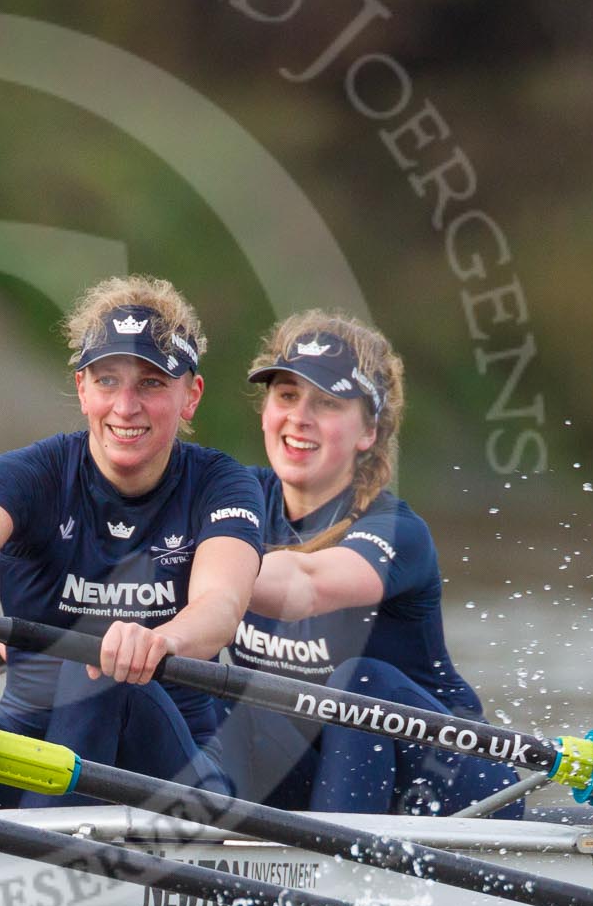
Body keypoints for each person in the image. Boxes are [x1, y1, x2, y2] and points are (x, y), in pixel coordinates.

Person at [0, 275, 263, 806]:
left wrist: (163, 641)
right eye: (108, 381)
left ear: (190, 396)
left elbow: (220, 605)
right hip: (26, 759)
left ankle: (35, 863)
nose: (126, 406)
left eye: (152, 384)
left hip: (165, 771)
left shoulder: (222, 484)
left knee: (92, 662)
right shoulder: (33, 473)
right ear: (83, 389)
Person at [208, 310, 521, 815]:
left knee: (358, 680)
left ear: (368, 431)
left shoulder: (396, 529)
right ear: (265, 410)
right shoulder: (232, 495)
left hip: (447, 783)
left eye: (327, 403)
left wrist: (191, 562)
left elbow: (305, 585)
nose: (299, 418)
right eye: (286, 396)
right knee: (210, 692)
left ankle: (335, 876)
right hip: (323, 769)